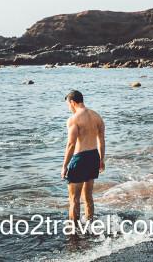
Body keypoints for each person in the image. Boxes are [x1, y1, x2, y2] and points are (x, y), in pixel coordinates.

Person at [62, 90, 106, 221]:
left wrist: (64, 166)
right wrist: (101, 159)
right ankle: (89, 224)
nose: (69, 108)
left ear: (72, 102)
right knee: (88, 197)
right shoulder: (97, 116)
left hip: (80, 159)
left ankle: (74, 230)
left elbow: (71, 144)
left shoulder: (73, 119)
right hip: (94, 157)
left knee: (74, 199)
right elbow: (101, 141)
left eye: (68, 105)